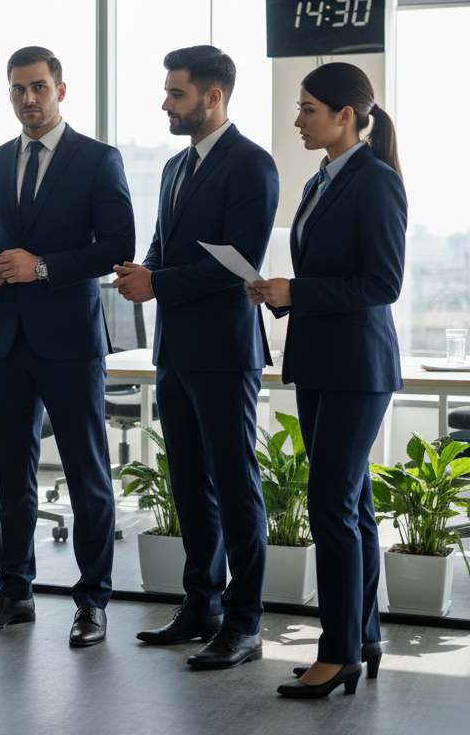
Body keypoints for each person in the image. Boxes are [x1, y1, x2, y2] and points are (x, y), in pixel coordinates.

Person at [0, 47, 134, 646]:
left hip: (69, 340)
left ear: (62, 89)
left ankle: (92, 602)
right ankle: (14, 592)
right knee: (12, 473)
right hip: (5, 339)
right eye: (17, 90)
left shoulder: (97, 160)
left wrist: (43, 268)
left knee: (87, 475)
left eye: (38, 87)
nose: (27, 99)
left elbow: (117, 243)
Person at [113, 46, 278, 669]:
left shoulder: (251, 165)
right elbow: (165, 242)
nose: (165, 103)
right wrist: (144, 270)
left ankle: (245, 622)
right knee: (189, 483)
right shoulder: (176, 167)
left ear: (213, 97)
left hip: (223, 348)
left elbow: (236, 260)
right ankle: (201, 605)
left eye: (176, 94)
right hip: (175, 349)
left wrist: (159, 283)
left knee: (235, 485)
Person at [246, 62, 406, 698]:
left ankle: (336, 651)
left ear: (346, 116)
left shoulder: (375, 181)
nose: (298, 119)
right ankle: (362, 635)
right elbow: (330, 276)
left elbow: (382, 283)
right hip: (320, 362)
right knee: (352, 504)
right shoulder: (321, 179)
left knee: (331, 505)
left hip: (355, 369)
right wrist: (281, 296)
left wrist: (299, 289)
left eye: (309, 109)